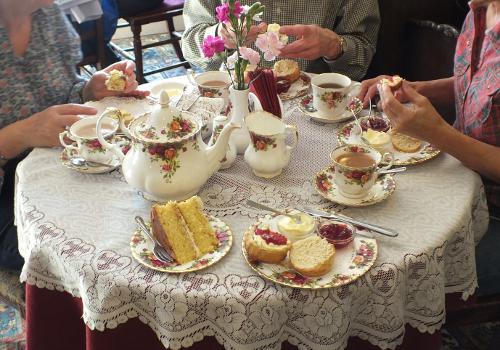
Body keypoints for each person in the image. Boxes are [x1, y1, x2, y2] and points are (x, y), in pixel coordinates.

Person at [358, 0, 499, 294]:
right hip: (458, 174)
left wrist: (438, 133)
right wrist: (415, 89)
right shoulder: (480, 9)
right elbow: (476, 82)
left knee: (386, 271)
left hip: (492, 216)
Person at [0, 0, 147, 271]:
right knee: (94, 253)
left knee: (138, 210)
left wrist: (90, 90)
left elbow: (61, 90)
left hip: (56, 162)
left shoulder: (46, 15)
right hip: (7, 196)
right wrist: (20, 134)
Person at [182, 0, 380, 81]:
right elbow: (190, 46)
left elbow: (361, 58)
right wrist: (219, 35)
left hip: (315, 107)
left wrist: (334, 46)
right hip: (236, 100)